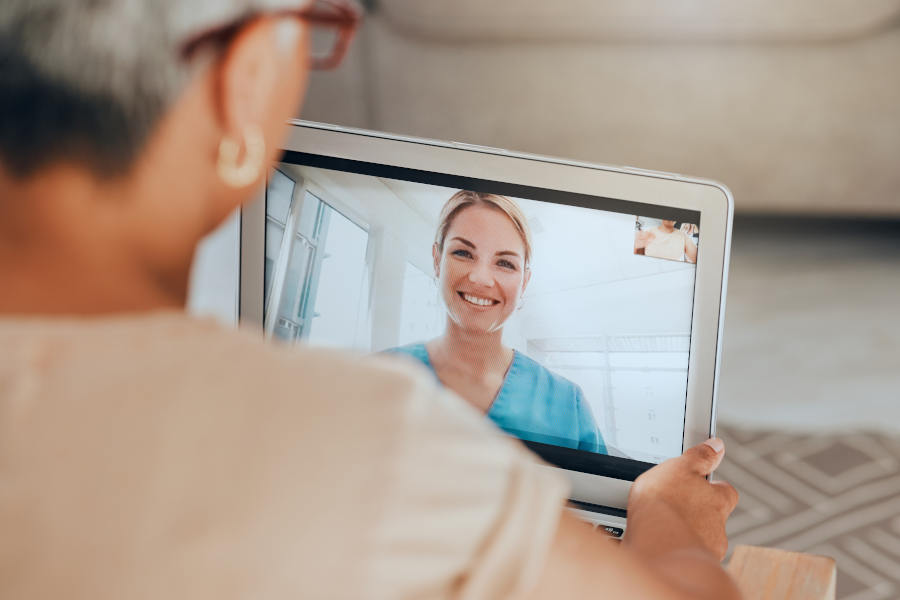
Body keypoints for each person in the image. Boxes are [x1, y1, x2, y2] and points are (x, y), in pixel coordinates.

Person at [0, 1, 741, 598]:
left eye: (506, 262)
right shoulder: (376, 427)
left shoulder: (525, 405)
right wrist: (667, 516)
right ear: (245, 79)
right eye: (313, 29)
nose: (482, 277)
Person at [388, 191, 606, 454]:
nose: (481, 278)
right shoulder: (377, 375)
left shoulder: (568, 405)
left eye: (504, 263)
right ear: (437, 260)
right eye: (463, 253)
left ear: (524, 282)